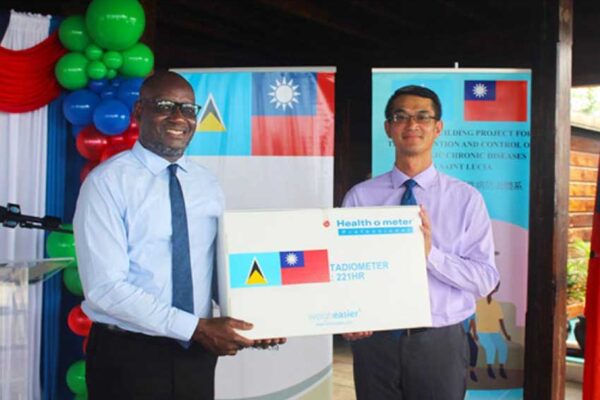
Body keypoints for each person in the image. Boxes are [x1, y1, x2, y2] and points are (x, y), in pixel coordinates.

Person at [74, 70, 284, 400]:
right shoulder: (107, 184)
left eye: (188, 108)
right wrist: (197, 328)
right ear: (139, 112)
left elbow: (214, 269)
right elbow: (105, 289)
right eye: (165, 105)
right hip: (130, 354)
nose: (178, 117)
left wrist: (257, 320)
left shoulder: (206, 184)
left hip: (195, 354)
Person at [341, 85, 499, 399]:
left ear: (437, 128)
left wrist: (430, 254)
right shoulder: (361, 196)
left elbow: (485, 279)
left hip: (439, 342)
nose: (412, 125)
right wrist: (350, 313)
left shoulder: (466, 199)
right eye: (401, 117)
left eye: (423, 117)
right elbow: (344, 268)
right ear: (388, 128)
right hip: (375, 342)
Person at [474, 283, 511, 379]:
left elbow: (501, 320)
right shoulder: (479, 303)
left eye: (495, 288)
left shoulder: (496, 304)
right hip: (482, 332)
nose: (493, 290)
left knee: (503, 347)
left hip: (495, 332)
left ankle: (501, 368)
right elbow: (473, 319)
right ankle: (489, 368)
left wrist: (506, 334)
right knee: (491, 347)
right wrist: (473, 333)